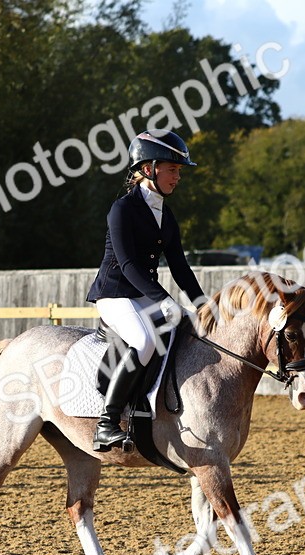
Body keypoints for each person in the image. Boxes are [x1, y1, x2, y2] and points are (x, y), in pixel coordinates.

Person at [85, 130, 209, 452]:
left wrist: (204, 306)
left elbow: (180, 268)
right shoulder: (122, 210)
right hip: (114, 294)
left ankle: (145, 409)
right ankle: (106, 423)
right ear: (148, 168)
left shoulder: (166, 216)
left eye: (179, 171)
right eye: (172, 169)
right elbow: (127, 265)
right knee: (143, 340)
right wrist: (164, 301)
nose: (177, 177)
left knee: (178, 335)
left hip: (141, 295)